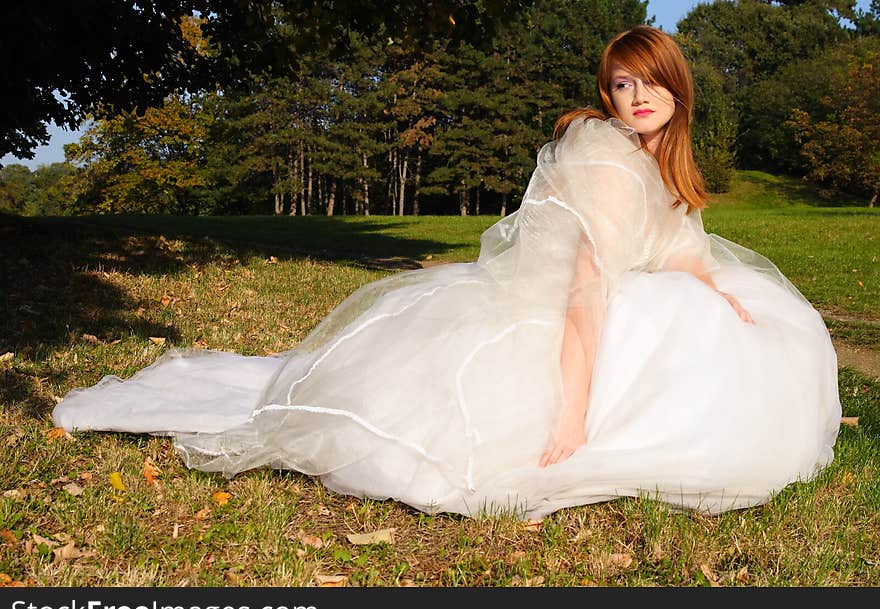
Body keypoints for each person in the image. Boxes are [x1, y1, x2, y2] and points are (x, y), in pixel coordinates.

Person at [53, 26, 841, 520]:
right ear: (608, 92)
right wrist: (571, 415)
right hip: (566, 311)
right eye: (622, 83)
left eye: (650, 80)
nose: (637, 97)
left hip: (617, 300)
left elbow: (680, 250)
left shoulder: (659, 162)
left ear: (678, 87)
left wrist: (719, 294)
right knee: (659, 331)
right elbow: (584, 290)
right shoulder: (603, 153)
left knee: (739, 317)